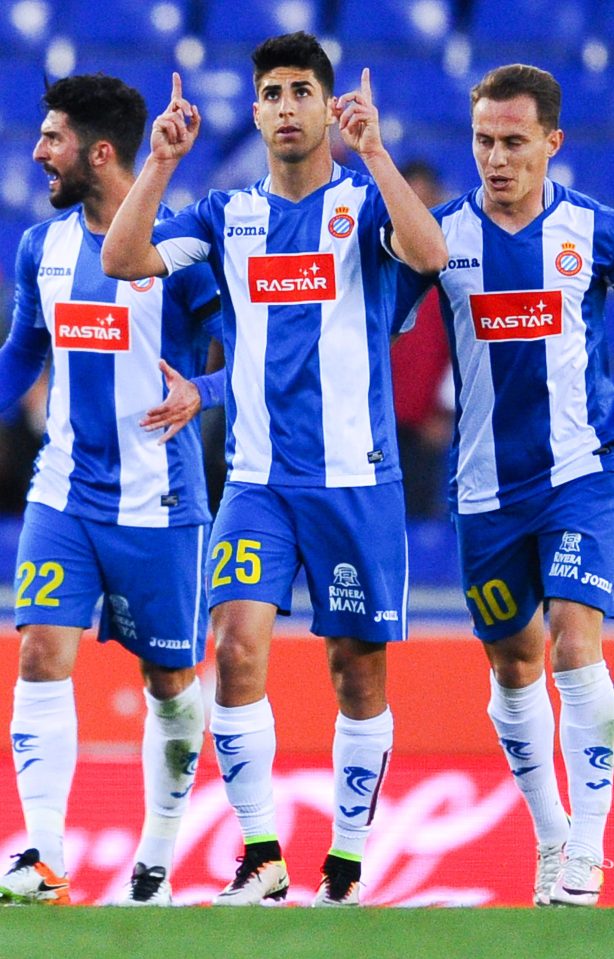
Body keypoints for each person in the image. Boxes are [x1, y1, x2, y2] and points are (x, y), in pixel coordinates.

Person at [102, 32, 447, 906]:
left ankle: (347, 856)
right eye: (273, 92)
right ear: (254, 111)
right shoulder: (225, 215)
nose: (286, 105)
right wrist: (160, 164)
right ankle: (262, 853)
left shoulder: (363, 209)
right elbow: (122, 258)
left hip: (355, 479)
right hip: (256, 481)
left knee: (355, 671)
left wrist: (373, 152)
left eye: (302, 90)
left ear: (325, 106)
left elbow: (432, 254)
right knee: (237, 647)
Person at [394, 64, 614, 907]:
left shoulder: (590, 230)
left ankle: (589, 852)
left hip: (578, 476)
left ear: (552, 143)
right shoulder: (442, 239)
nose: (497, 157)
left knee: (573, 638)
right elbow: (365, 314)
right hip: (483, 491)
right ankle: (551, 837)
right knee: (515, 665)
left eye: (514, 141)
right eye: (485, 140)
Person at [0, 74, 222, 907]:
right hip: (63, 492)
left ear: (99, 152)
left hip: (159, 506)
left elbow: (249, 355)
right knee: (40, 649)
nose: (37, 152)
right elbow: (25, 350)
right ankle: (44, 856)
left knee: (171, 682)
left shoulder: (184, 252)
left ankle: (156, 859)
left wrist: (213, 392)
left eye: (52, 138)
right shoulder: (41, 247)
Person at [391, 161, 453, 519]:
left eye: (423, 204)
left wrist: (444, 411)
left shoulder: (452, 270)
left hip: (422, 428)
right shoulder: (375, 263)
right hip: (372, 425)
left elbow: (465, 345)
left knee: (419, 527)